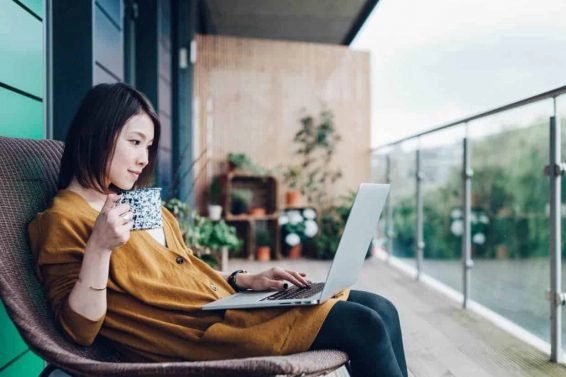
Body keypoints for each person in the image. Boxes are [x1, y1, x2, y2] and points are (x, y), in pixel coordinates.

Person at [28, 83, 407, 377]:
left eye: (149, 145)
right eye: (135, 142)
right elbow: (78, 330)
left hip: (221, 308)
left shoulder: (132, 201)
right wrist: (99, 248)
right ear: (97, 134)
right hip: (195, 336)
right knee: (364, 324)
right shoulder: (62, 219)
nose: (144, 158)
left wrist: (245, 281)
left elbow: (181, 270)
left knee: (381, 307)